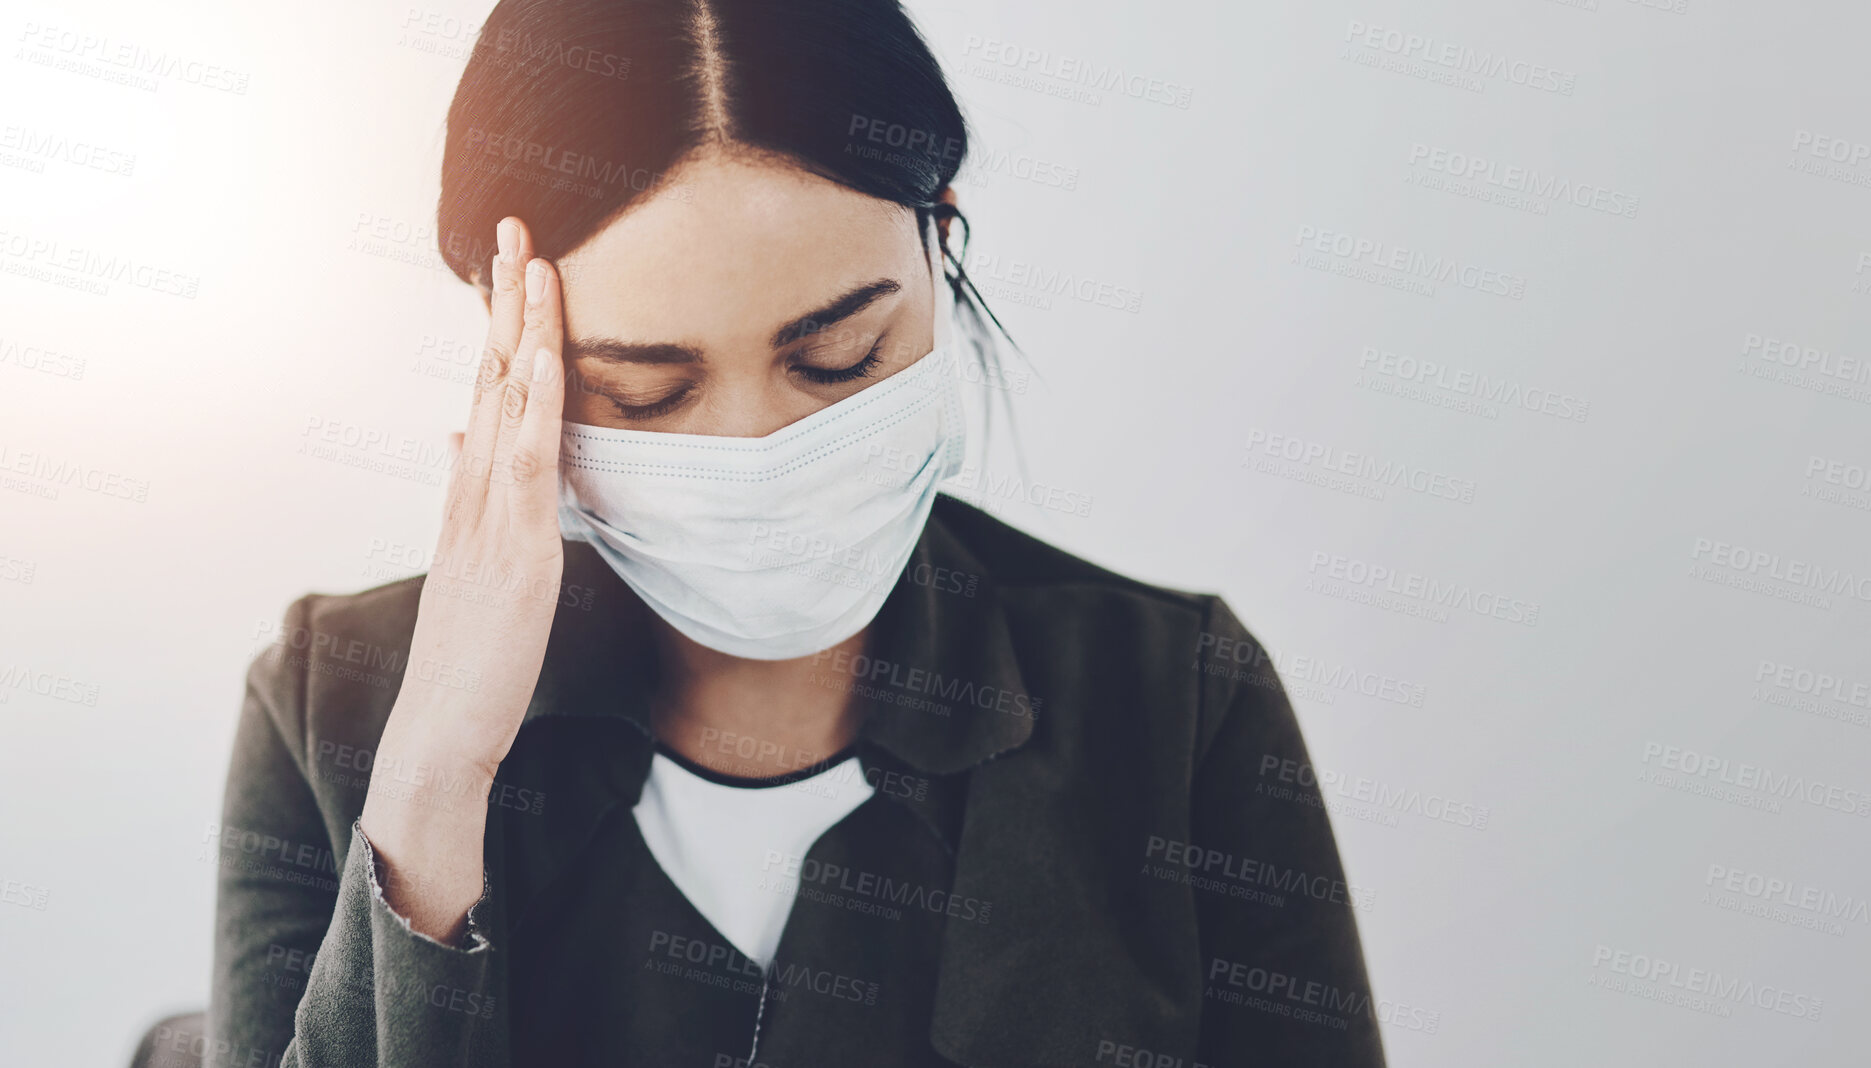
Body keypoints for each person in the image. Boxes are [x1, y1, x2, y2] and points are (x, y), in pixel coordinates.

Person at [198, 1, 1386, 1065]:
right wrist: (433, 788)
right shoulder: (335, 708)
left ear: (939, 244)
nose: (756, 453)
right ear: (514, 345)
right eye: (644, 393)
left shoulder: (1175, 697)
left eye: (837, 359)